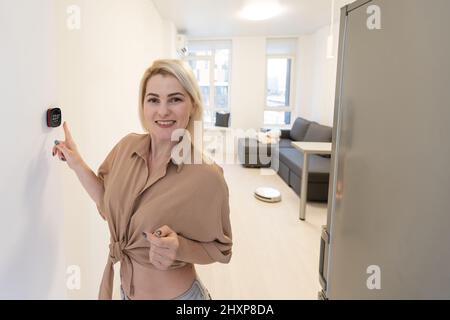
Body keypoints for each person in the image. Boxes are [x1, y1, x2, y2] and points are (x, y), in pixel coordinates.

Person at [52, 59, 233, 300]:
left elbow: (222, 250)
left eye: (175, 99)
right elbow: (109, 207)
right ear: (143, 105)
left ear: (192, 105)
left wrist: (180, 248)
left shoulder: (207, 177)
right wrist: (76, 163)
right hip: (126, 293)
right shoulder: (127, 147)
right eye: (153, 99)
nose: (163, 111)